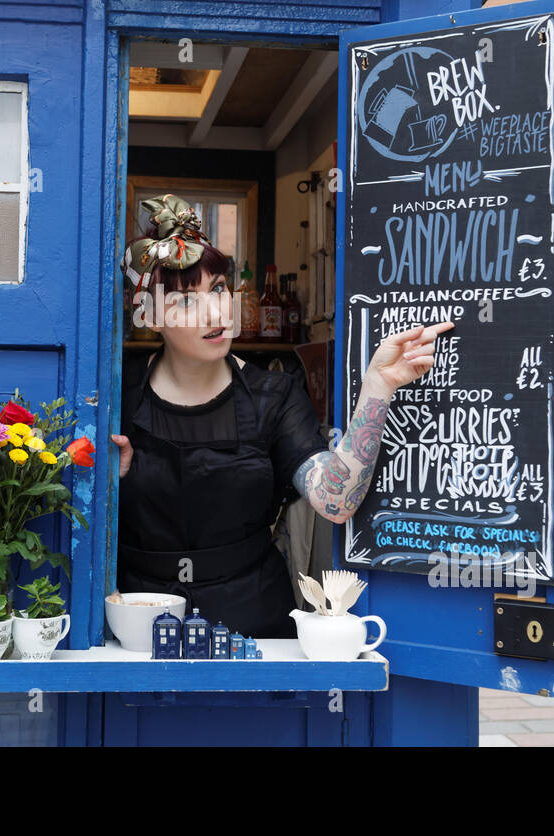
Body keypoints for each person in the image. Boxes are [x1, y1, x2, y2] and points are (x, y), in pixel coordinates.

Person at [110, 194, 453, 638]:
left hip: (253, 625)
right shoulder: (115, 397)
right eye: (186, 301)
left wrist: (378, 387)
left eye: (217, 288)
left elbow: (335, 501)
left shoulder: (274, 395)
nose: (216, 311)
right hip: (138, 623)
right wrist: (103, 481)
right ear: (150, 316)